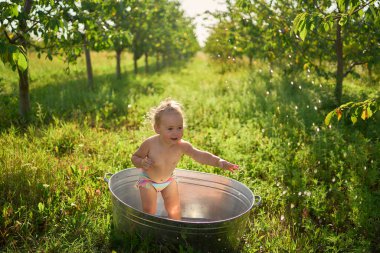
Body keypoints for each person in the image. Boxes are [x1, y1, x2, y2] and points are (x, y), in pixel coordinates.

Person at [131, 99, 239, 220]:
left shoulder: (182, 146)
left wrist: (220, 162)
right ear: (157, 128)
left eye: (179, 127)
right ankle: (148, 230)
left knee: (175, 209)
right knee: (149, 209)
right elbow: (135, 157)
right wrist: (141, 162)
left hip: (168, 181)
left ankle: (177, 228)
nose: (176, 133)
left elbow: (200, 155)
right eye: (170, 129)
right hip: (148, 181)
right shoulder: (150, 144)